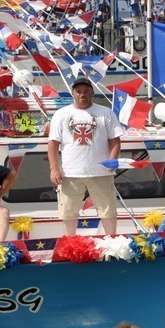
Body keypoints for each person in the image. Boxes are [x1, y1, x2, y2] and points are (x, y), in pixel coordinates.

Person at [48, 77, 125, 236]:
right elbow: (53, 144)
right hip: (70, 173)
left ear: (93, 93)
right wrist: (54, 169)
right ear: (73, 94)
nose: (82, 94)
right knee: (68, 212)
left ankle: (111, 240)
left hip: (101, 172)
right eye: (78, 91)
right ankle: (70, 242)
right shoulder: (61, 114)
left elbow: (115, 140)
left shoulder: (106, 113)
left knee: (108, 210)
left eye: (86, 91)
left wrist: (112, 161)